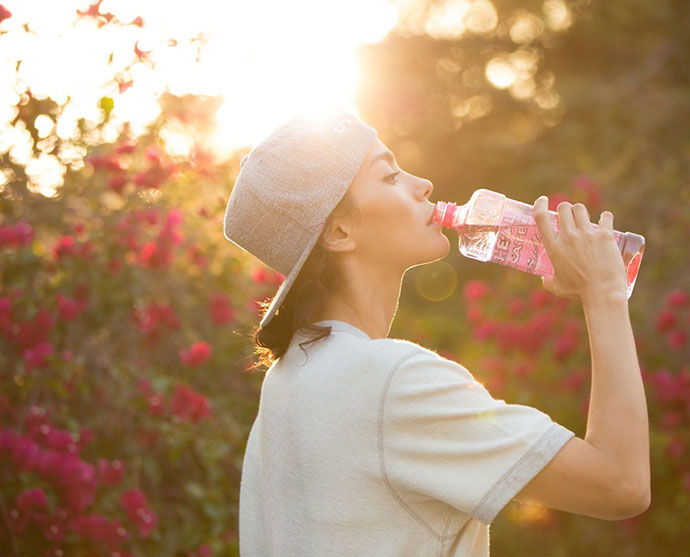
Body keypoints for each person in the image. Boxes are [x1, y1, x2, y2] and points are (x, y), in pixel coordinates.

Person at [223, 108, 650, 556]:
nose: (422, 184)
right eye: (389, 177)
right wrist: (604, 294)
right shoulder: (388, 381)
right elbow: (621, 483)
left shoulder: (290, 379)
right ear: (340, 230)